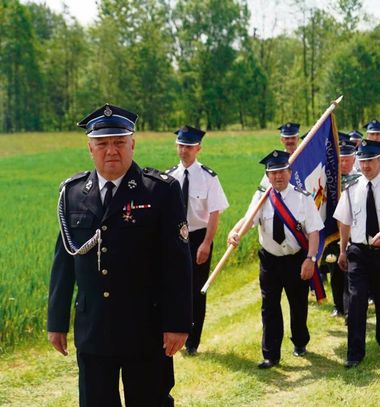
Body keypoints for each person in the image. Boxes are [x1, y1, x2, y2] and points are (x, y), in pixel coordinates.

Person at [47, 104, 193, 406]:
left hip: (146, 328)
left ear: (132, 144)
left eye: (119, 142)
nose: (111, 151)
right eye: (102, 144)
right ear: (90, 147)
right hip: (93, 329)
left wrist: (178, 322)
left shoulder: (160, 191)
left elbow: (177, 264)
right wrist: (56, 321)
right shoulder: (72, 192)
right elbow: (64, 262)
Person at [227, 150, 324, 369]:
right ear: (267, 176)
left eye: (281, 171)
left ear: (290, 172)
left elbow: (314, 232)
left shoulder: (303, 197)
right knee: (269, 306)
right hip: (270, 261)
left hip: (296, 259)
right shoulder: (262, 197)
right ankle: (271, 354)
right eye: (273, 173)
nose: (278, 177)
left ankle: (300, 342)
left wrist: (310, 258)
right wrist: (234, 232)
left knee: (298, 304)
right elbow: (248, 220)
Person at [334, 139, 380, 368]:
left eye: (370, 161)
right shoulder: (351, 189)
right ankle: (354, 353)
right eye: (362, 161)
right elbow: (344, 221)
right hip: (358, 252)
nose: (366, 166)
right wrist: (342, 249)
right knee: (356, 301)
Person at [166, 126, 229, 355]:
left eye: (189, 147)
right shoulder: (169, 176)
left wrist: (207, 243)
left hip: (198, 237)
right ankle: (172, 334)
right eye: (181, 146)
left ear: (198, 148)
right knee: (172, 287)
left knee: (196, 290)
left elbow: (214, 213)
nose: (184, 150)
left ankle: (193, 341)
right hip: (174, 238)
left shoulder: (208, 178)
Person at [322, 135, 360, 318]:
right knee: (335, 271)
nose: (344, 164)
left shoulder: (360, 180)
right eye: (340, 160)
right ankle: (339, 305)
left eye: (347, 160)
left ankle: (351, 307)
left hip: (355, 232)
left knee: (352, 274)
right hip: (334, 233)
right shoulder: (329, 181)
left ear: (354, 159)